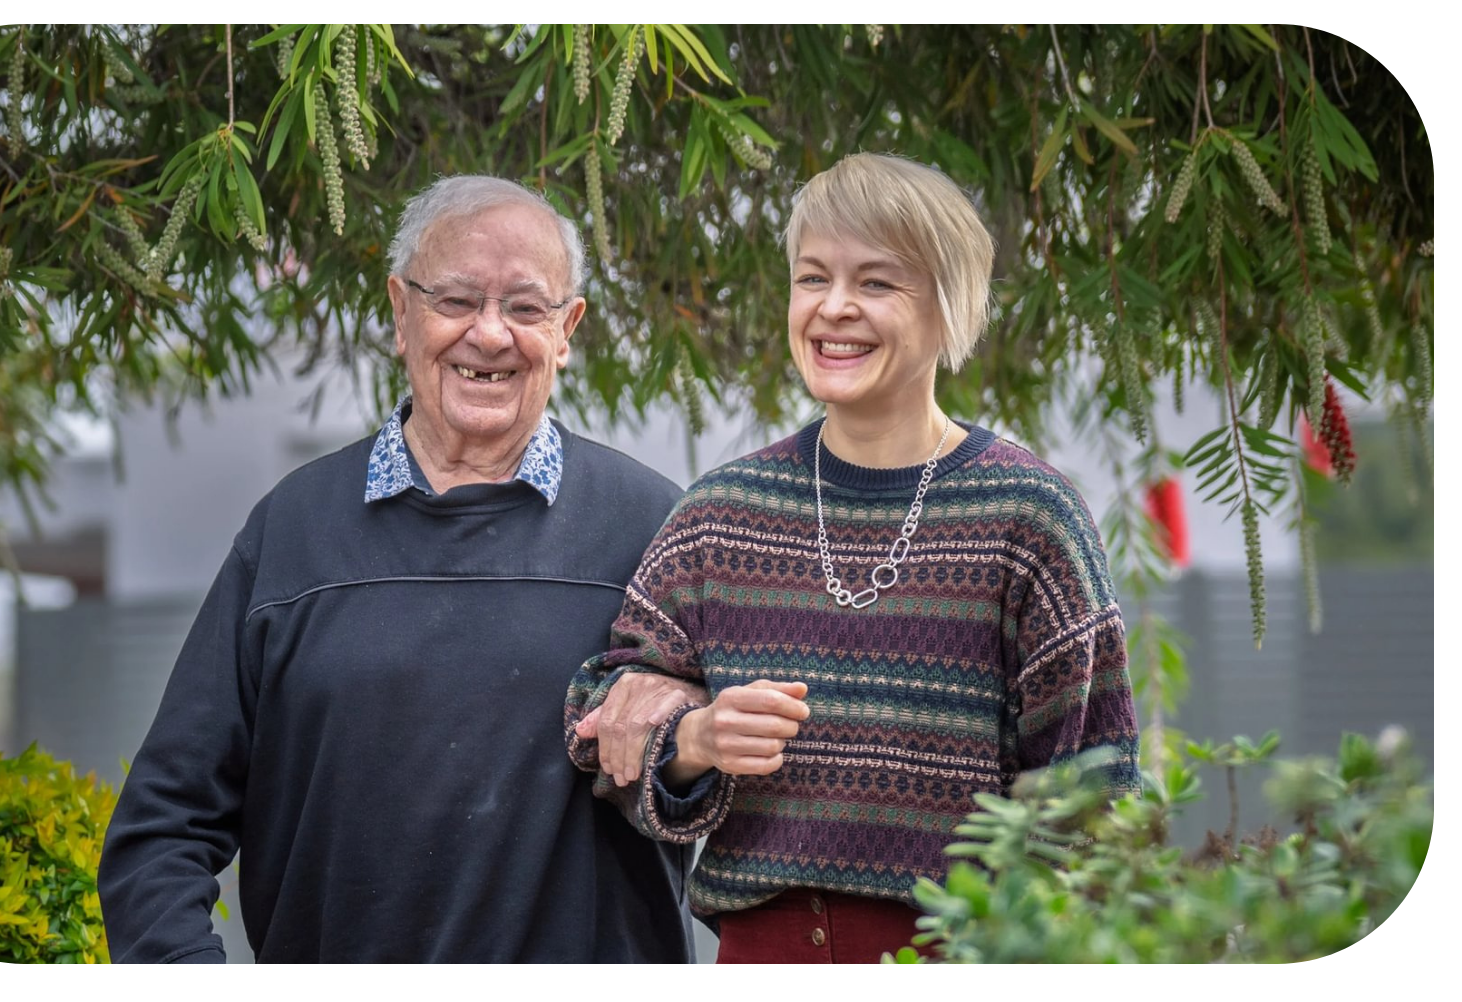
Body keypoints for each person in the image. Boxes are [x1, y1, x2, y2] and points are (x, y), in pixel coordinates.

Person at [99, 174, 709, 964]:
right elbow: (162, 829)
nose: (489, 335)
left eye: (525, 308)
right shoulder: (293, 531)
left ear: (567, 329)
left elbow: (747, 790)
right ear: (399, 312)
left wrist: (692, 708)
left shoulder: (657, 532)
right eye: (455, 301)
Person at [563, 152, 1142, 964]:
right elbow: (596, 726)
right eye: (812, 279)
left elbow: (1092, 784)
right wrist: (693, 741)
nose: (834, 309)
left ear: (949, 308)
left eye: (876, 284)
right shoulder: (720, 516)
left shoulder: (1027, 517)